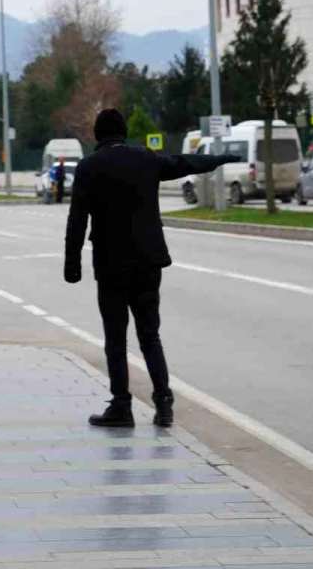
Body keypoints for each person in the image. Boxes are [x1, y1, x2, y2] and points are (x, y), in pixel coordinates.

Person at [64, 109, 238, 429]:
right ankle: (163, 403)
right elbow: (183, 162)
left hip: (111, 265)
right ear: (124, 132)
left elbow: (77, 220)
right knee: (149, 334)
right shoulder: (145, 159)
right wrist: (218, 159)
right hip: (148, 262)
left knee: (116, 338)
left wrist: (71, 264)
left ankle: (121, 406)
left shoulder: (89, 168)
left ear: (97, 134)